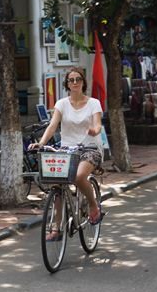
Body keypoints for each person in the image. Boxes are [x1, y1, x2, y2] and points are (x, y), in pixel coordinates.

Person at [30, 67, 105, 234]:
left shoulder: (93, 103)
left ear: (83, 82)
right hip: (67, 149)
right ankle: (57, 227)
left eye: (78, 79)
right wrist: (41, 143)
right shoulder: (61, 104)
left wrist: (94, 130)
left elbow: (98, 123)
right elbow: (52, 125)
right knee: (56, 184)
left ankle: (93, 205)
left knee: (78, 177)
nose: (75, 82)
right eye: (71, 80)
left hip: (89, 147)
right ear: (67, 84)